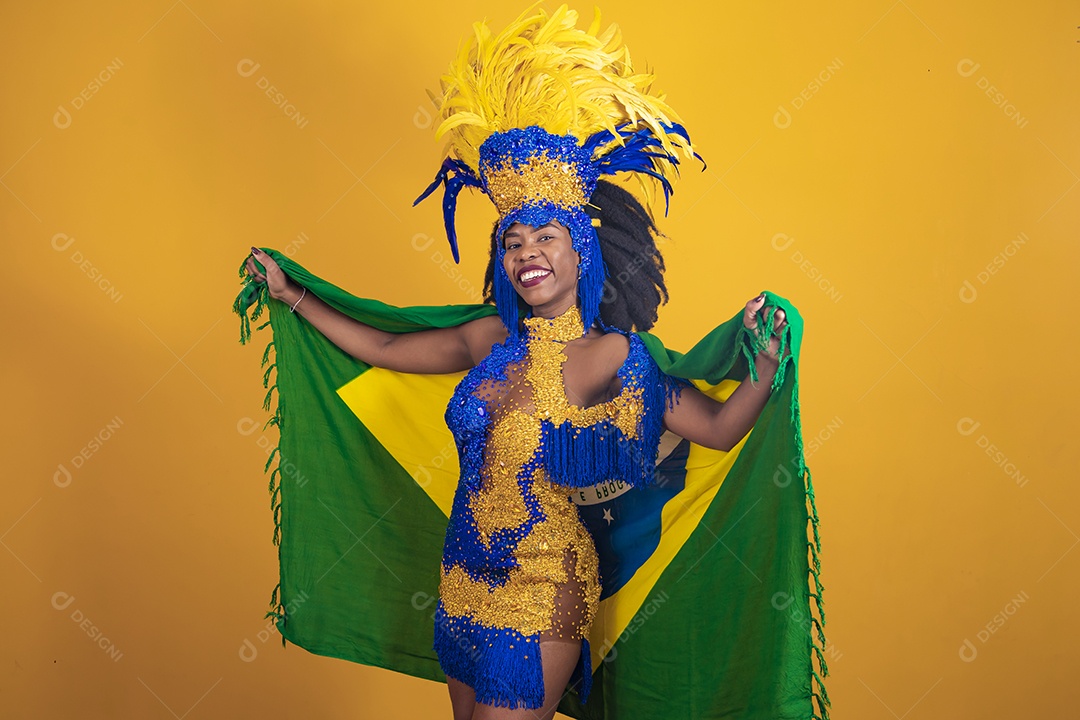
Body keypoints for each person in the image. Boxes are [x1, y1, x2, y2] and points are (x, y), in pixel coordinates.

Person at [244, 6, 792, 719]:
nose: (527, 251)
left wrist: (765, 363)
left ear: (581, 251)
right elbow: (379, 347)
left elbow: (716, 428)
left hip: (544, 586)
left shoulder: (612, 357)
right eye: (512, 240)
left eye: (545, 235)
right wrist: (292, 298)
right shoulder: (484, 341)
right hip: (461, 578)